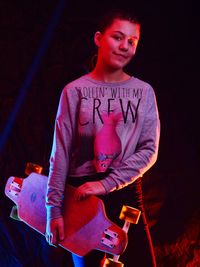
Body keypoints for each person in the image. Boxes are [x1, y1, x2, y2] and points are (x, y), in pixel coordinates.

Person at [45, 9, 160, 267]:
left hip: (126, 202)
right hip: (82, 205)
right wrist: (53, 209)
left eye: (132, 41)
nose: (124, 46)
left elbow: (149, 151)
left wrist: (105, 184)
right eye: (117, 37)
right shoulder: (73, 92)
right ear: (98, 38)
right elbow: (60, 153)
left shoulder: (143, 93)